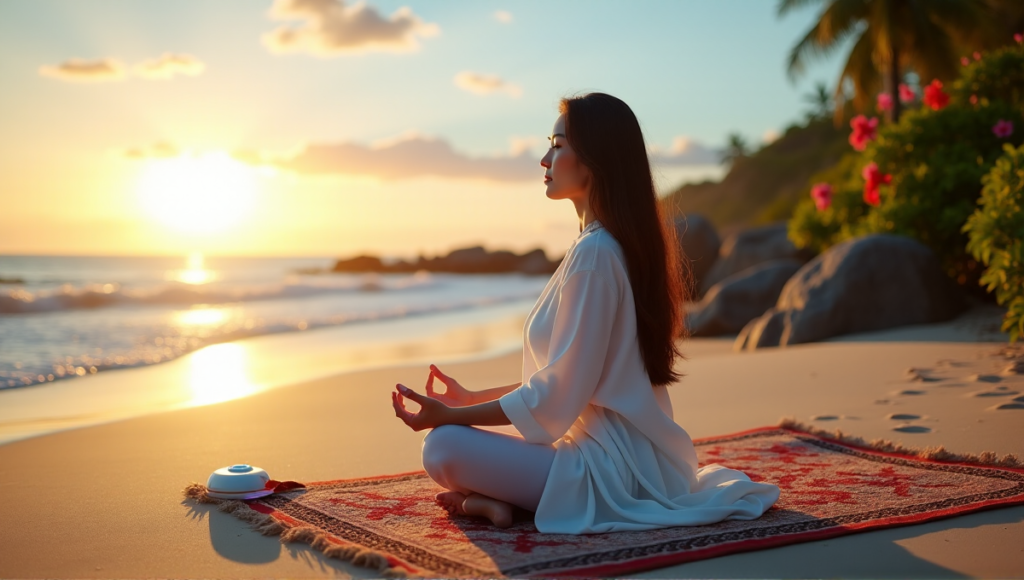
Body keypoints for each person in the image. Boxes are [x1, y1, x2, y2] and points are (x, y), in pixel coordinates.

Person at [391, 92, 780, 533]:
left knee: (442, 446)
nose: (544, 159)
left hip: (612, 472)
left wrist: (451, 417)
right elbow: (571, 378)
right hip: (608, 456)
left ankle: (493, 501)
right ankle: (487, 501)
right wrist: (470, 399)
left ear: (594, 160)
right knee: (452, 438)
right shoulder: (598, 246)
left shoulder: (596, 254)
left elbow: (556, 399)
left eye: (557, 146)